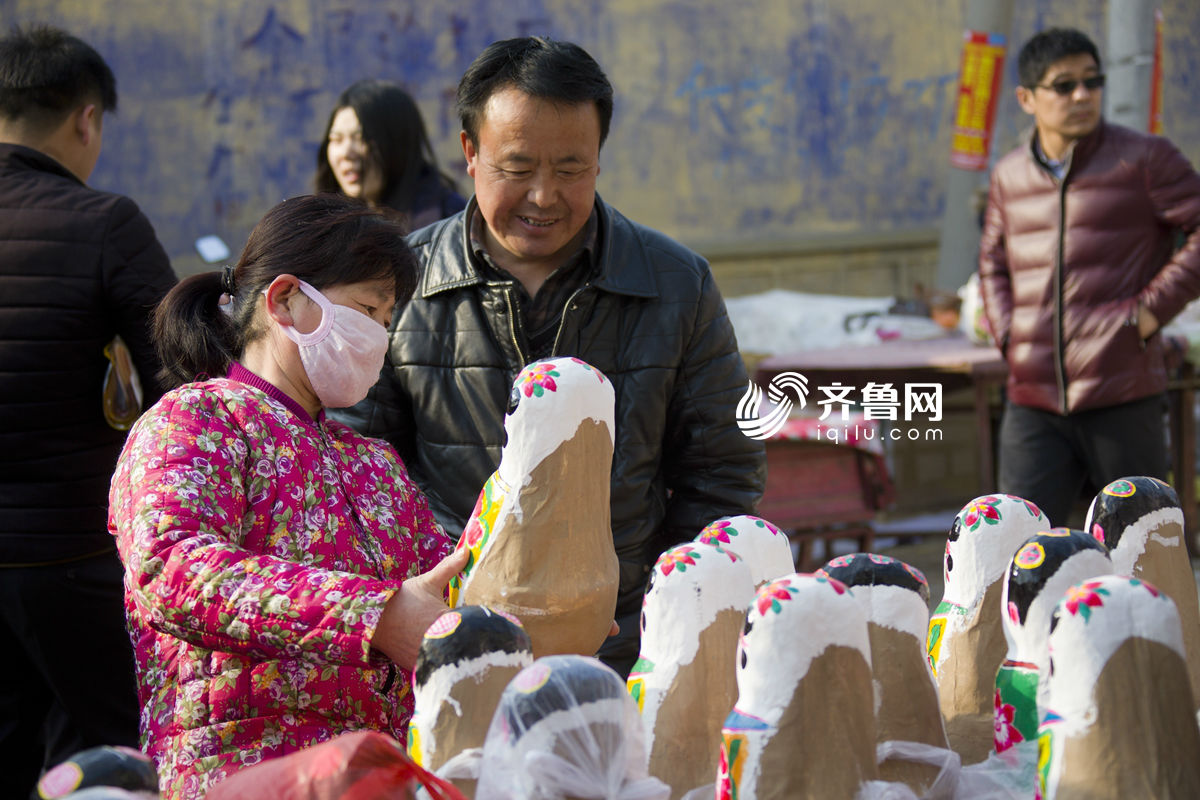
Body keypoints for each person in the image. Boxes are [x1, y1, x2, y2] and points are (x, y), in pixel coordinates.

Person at [334, 37, 766, 677]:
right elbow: (354, 474)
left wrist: (667, 614)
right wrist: (413, 607)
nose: (543, 196)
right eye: (517, 168)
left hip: (622, 651)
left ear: (599, 160)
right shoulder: (399, 284)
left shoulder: (677, 284)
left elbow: (721, 472)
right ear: (470, 152)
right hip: (445, 648)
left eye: (570, 169)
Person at [107, 194, 465, 799]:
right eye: (366, 310)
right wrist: (374, 616)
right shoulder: (196, 419)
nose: (379, 338)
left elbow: (446, 583)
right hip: (239, 770)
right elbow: (169, 566)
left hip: (373, 775)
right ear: (285, 300)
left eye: (386, 321)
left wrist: (531, 597)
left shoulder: (373, 462)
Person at [0, 24, 177, 795]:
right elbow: (182, 379)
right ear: (86, 118)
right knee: (108, 758)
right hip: (69, 559)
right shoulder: (105, 223)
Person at [979, 27, 1200, 527]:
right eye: (1064, 85)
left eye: (1092, 81)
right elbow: (992, 262)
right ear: (1027, 98)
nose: (1082, 95)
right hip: (1032, 401)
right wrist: (1011, 336)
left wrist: (1144, 316)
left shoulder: (1143, 159)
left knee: (1141, 546)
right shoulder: (1009, 175)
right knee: (1021, 547)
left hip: (1122, 389)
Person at [314, 79, 466, 230]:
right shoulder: (327, 226)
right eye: (336, 139)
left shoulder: (451, 222)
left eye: (362, 138)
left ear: (398, 143)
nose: (346, 153)